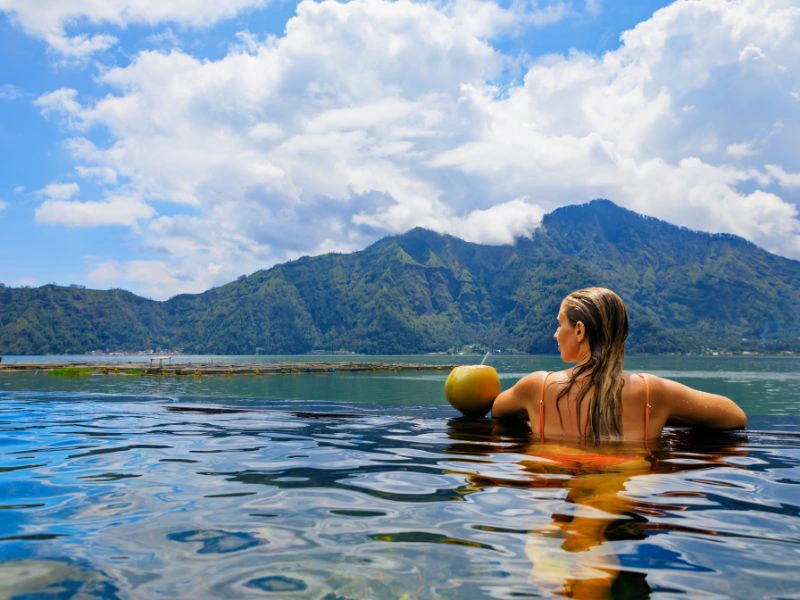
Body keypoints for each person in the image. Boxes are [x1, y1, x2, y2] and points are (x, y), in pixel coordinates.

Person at [491, 287, 747, 441]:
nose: (555, 334)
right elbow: (734, 416)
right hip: (623, 485)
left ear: (579, 331)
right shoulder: (652, 392)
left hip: (556, 480)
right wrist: (670, 414)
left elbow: (499, 411)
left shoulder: (538, 387)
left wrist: (531, 411)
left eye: (560, 324)